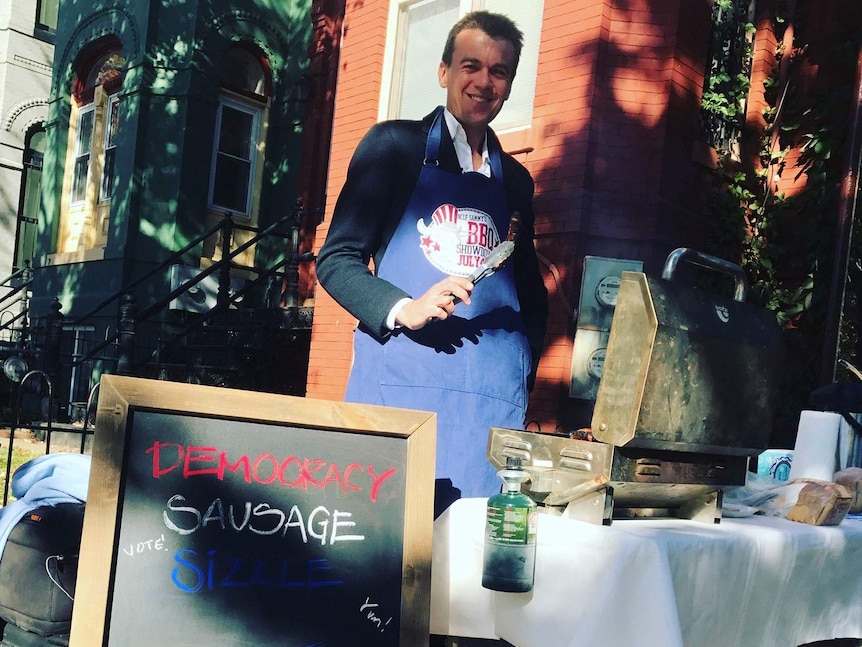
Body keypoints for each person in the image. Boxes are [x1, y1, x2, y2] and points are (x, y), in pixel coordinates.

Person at [316, 11, 547, 510]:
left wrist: (520, 369)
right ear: (444, 72)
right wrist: (404, 308)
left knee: (470, 569)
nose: (484, 82)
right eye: (471, 66)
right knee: (387, 543)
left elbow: (529, 290)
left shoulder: (516, 183)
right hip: (404, 389)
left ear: (508, 85)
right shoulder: (393, 148)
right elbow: (336, 260)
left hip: (491, 405)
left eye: (499, 72)